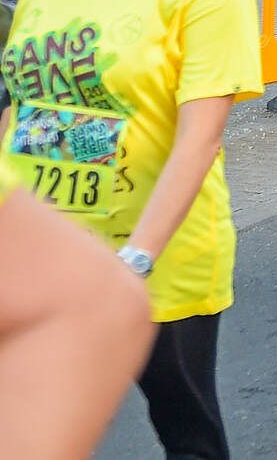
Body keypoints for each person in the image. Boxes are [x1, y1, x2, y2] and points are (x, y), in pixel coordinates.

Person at [2, 0, 263, 456]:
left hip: (156, 265)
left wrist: (134, 261)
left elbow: (197, 138)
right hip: (39, 250)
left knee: (186, 432)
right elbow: (20, 106)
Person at [0, 176, 157, 459]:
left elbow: (106, 300)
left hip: (164, 269)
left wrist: (137, 256)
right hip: (64, 257)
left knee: (186, 420)